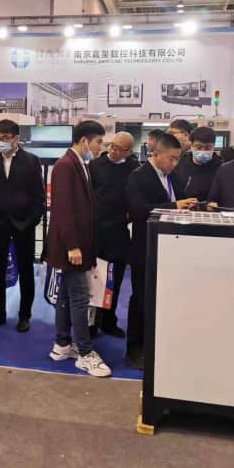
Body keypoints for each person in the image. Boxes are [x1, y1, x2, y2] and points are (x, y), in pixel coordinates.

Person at [44, 120, 112, 378]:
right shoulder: (65, 166)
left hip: (79, 243)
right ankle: (85, 352)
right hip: (71, 246)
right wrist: (72, 245)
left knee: (65, 296)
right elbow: (63, 209)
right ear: (84, 141)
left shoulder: (79, 164)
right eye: (98, 142)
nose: (100, 147)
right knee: (80, 298)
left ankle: (62, 345)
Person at [125, 133, 196, 369]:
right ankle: (134, 349)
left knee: (162, 299)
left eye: (177, 159)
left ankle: (156, 345)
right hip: (144, 247)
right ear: (156, 154)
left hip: (170, 248)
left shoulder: (173, 176)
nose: (174, 163)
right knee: (141, 298)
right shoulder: (138, 176)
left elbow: (180, 200)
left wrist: (192, 204)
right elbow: (137, 211)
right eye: (171, 159)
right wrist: (173, 207)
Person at [0, 119, 45, 332]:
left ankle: (24, 315)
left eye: (6, 138)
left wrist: (32, 220)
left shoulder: (31, 161)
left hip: (24, 224)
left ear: (16, 138)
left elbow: (39, 196)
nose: (2, 142)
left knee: (26, 269)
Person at [88, 131, 139, 338]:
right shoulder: (95, 166)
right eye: (112, 146)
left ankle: (109, 320)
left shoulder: (134, 170)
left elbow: (136, 199)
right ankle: (91, 323)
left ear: (129, 151)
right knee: (94, 280)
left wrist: (128, 215)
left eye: (119, 149)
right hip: (96, 231)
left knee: (115, 281)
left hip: (119, 232)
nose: (113, 151)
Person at [174, 126, 223, 203]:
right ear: (191, 146)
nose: (203, 151)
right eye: (199, 147)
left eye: (208, 148)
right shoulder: (179, 164)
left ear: (214, 147)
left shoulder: (221, 169)